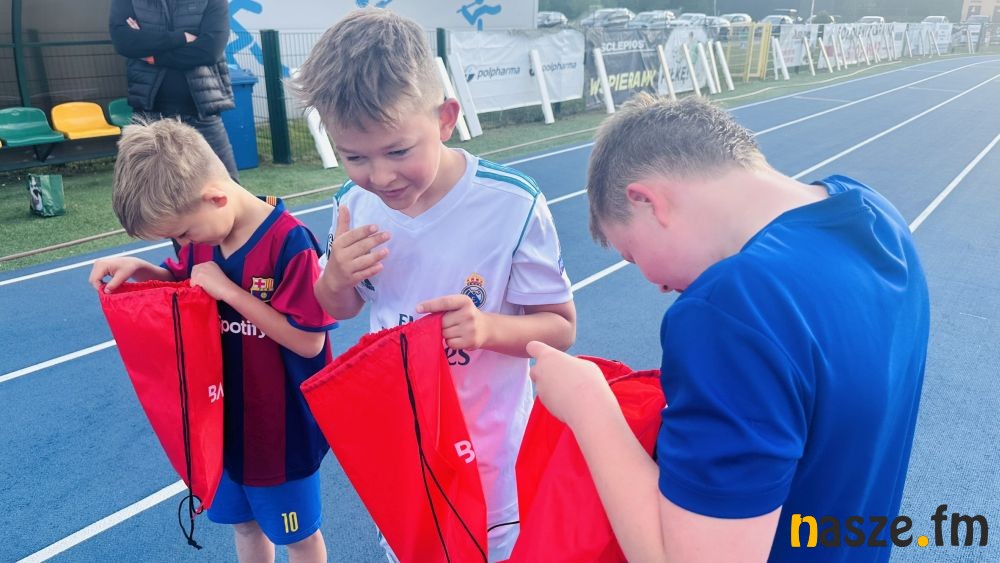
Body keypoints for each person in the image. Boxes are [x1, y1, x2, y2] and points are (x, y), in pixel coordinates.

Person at [527, 94, 930, 562]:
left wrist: (587, 404)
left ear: (647, 201)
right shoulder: (876, 215)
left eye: (633, 255)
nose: (657, 284)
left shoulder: (732, 306)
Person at [293, 9, 577, 562]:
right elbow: (338, 308)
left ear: (446, 119)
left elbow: (561, 327)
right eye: (354, 157)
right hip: (403, 449)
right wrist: (335, 277)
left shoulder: (511, 204)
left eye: (398, 151)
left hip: (491, 460)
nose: (380, 176)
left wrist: (486, 328)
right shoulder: (353, 205)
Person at [89, 118, 335, 563]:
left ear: (216, 197)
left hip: (280, 434)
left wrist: (231, 293)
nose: (182, 243)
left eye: (183, 233)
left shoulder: (290, 244)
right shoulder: (205, 236)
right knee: (244, 525)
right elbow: (191, 283)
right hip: (221, 427)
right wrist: (146, 270)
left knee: (297, 537)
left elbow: (308, 343)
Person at [109, 0, 240, 181]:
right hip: (148, 115)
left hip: (201, 113)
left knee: (228, 185)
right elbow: (124, 42)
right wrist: (182, 38)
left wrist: (153, 56)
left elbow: (210, 50)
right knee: (141, 189)